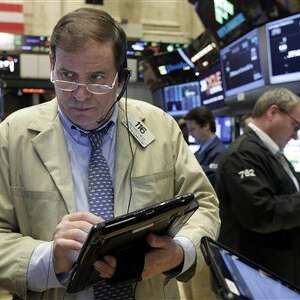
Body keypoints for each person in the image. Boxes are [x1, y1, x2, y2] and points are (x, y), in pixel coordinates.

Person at [0, 8, 220, 300]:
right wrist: (48, 257)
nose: (80, 94)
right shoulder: (12, 135)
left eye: (97, 78)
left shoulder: (160, 127)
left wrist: (180, 251)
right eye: (67, 76)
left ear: (121, 76)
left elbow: (203, 204)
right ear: (52, 65)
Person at [215, 88, 300, 287]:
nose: (296, 136)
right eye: (295, 126)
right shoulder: (243, 155)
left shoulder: (267, 151)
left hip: (277, 266)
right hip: (260, 272)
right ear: (273, 113)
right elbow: (261, 213)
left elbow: (288, 187)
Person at [185, 107, 226, 186]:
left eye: (192, 129)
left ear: (206, 126)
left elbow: (212, 179)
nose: (190, 134)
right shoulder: (198, 153)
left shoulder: (220, 152)